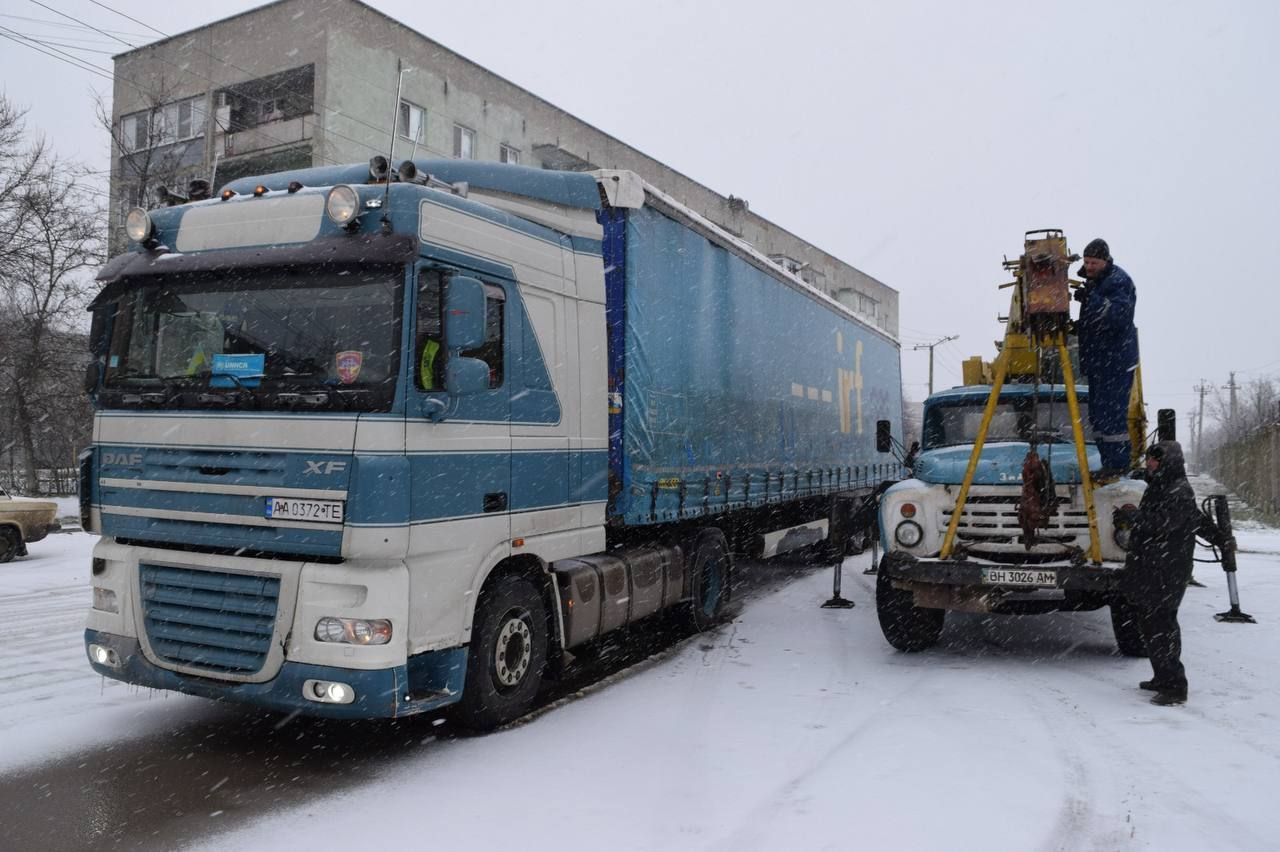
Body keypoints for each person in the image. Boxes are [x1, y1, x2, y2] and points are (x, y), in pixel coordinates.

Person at [1121, 441, 1200, 705]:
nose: (1149, 464)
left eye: (1154, 460)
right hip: (1153, 567)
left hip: (1167, 570)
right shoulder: (1162, 485)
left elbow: (1163, 523)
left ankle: (1175, 686)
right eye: (1148, 459)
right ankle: (1161, 677)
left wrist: (1135, 518)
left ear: (1168, 462)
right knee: (1150, 624)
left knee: (1162, 626)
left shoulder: (1179, 491)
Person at [1074, 238, 1138, 476]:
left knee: (1111, 416)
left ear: (1105, 260)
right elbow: (1097, 321)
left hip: (1115, 363)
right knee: (1098, 417)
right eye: (1086, 261)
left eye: (1093, 262)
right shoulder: (1097, 281)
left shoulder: (1117, 281)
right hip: (1099, 362)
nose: (1089, 266)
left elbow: (1118, 316)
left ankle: (1118, 465)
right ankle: (1108, 462)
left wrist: (1092, 299)